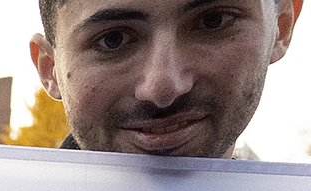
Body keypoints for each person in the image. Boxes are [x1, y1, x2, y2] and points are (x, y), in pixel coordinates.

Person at [32, 0, 298, 157]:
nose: (163, 87)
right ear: (49, 68)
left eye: (213, 21)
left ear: (281, 26)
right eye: (112, 40)